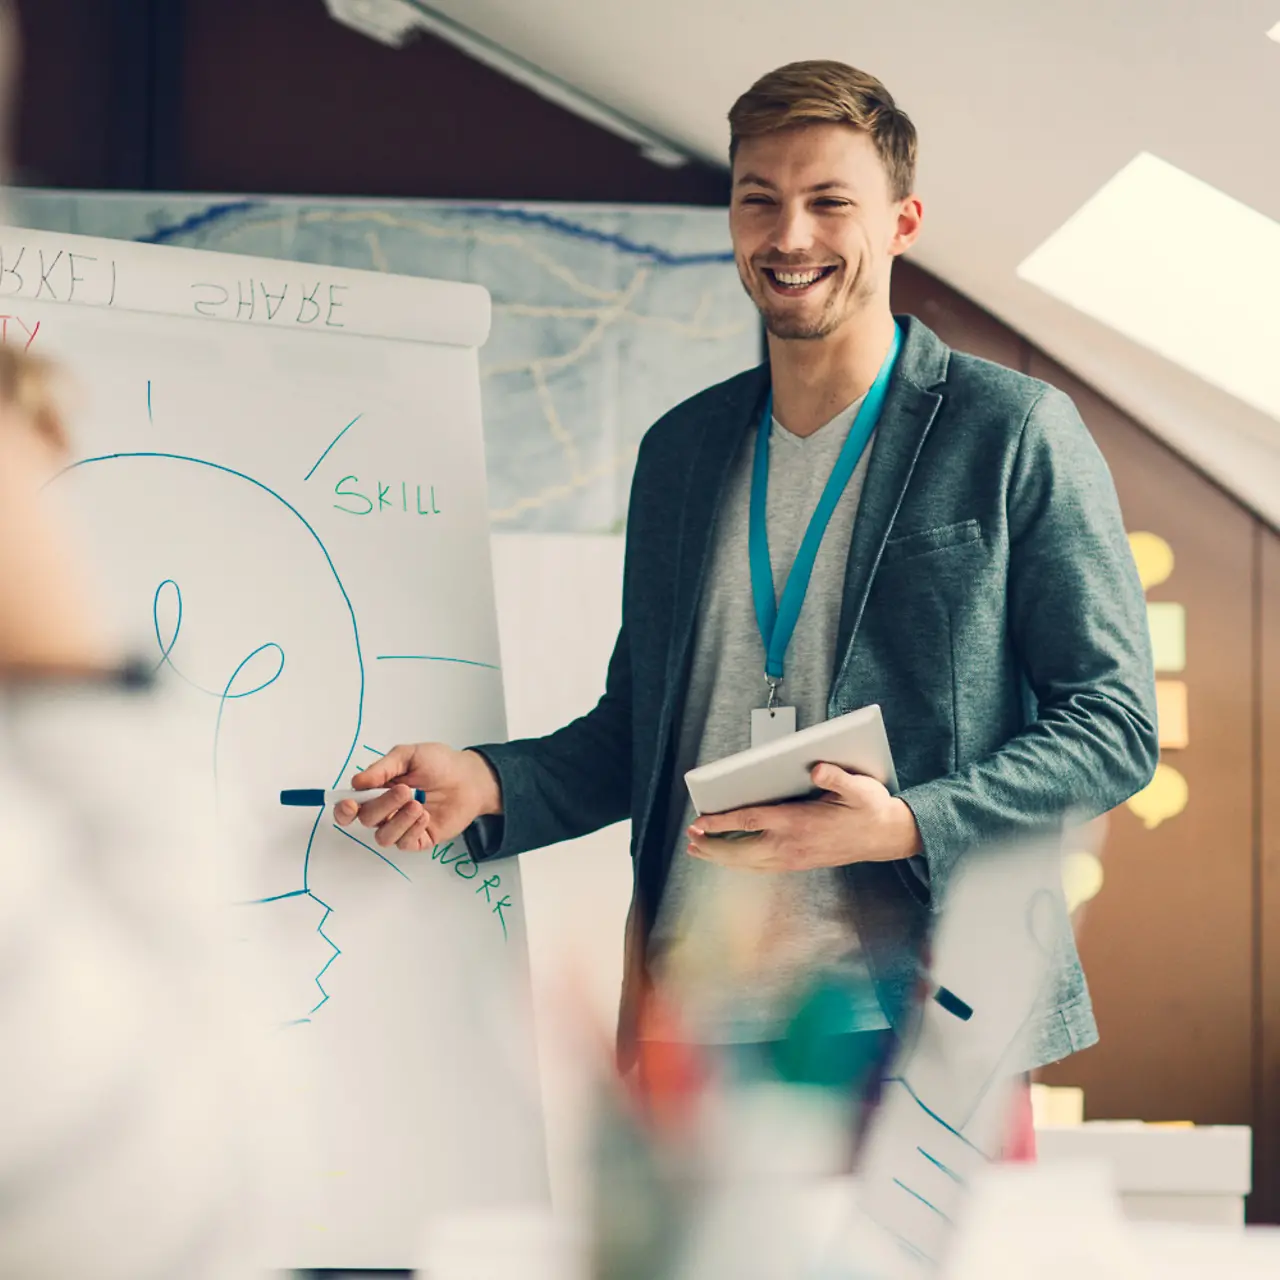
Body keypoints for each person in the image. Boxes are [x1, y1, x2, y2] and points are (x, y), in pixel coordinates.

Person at [339, 61, 1158, 1092]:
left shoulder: (1010, 431)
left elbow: (1112, 725)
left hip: (919, 1021)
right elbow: (639, 732)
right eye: (758, 200)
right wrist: (489, 781)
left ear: (902, 222)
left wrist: (905, 823)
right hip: (692, 1027)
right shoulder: (680, 452)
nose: (789, 236)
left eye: (829, 202)